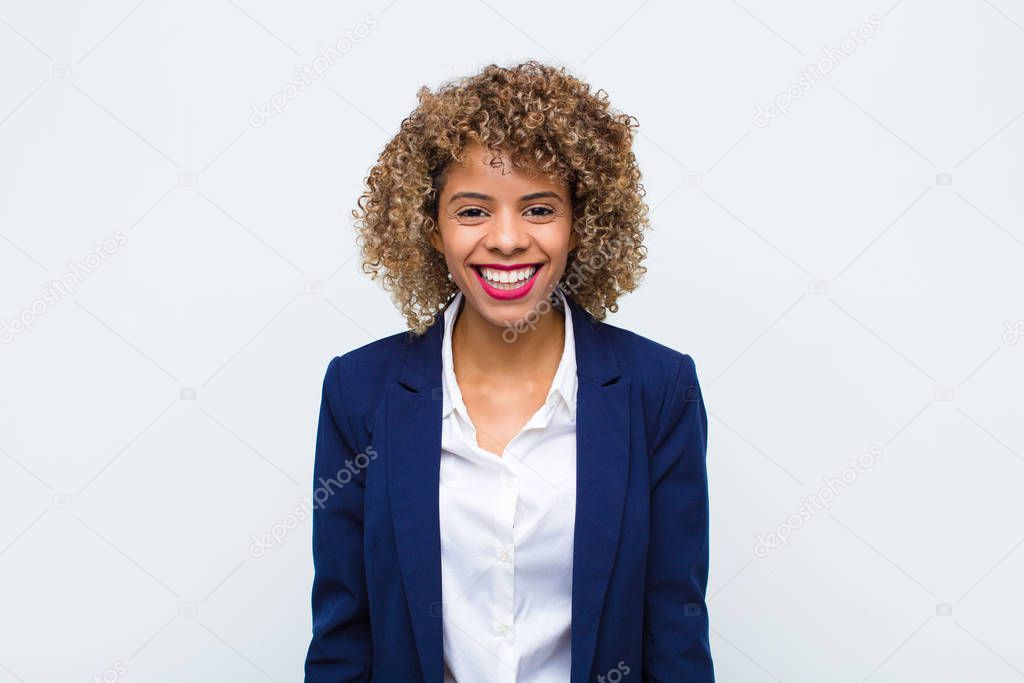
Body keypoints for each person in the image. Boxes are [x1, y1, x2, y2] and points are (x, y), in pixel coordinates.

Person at [304, 60, 714, 683]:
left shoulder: (658, 389)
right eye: (471, 211)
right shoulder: (360, 392)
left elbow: (674, 631)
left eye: (540, 209)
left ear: (583, 222)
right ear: (429, 226)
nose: (505, 239)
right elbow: (344, 636)